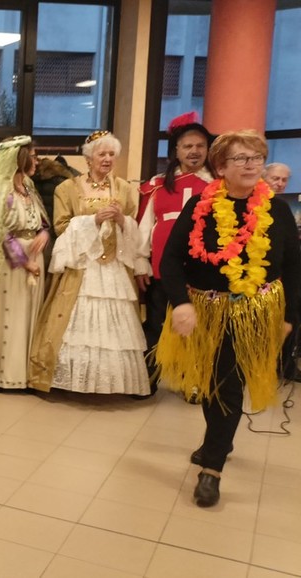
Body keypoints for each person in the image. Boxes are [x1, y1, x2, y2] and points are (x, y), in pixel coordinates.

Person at [156, 130, 301, 507]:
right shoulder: (200, 206)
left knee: (228, 384)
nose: (251, 165)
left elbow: (293, 268)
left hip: (255, 311)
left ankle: (212, 469)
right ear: (220, 166)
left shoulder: (277, 210)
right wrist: (181, 303)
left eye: (257, 158)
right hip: (206, 310)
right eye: (241, 158)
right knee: (211, 383)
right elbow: (171, 260)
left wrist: (290, 317)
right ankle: (217, 441)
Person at [29, 131, 150, 395]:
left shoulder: (125, 188)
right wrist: (93, 220)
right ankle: (69, 380)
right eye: (101, 154)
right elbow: (61, 227)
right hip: (82, 266)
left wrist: (121, 220)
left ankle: (110, 382)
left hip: (114, 268)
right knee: (75, 322)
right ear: (88, 158)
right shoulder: (67, 188)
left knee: (113, 328)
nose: (107, 159)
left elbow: (134, 226)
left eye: (111, 154)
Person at [136, 113, 214, 394]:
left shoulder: (217, 187)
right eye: (187, 146)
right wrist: (140, 261)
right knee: (156, 323)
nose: (194, 151)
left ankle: (191, 381)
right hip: (162, 267)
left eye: (200, 146)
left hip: (201, 269)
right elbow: (145, 225)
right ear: (176, 151)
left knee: (198, 327)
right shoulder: (158, 185)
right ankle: (147, 379)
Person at [0, 136, 49, 390]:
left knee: (28, 315)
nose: (37, 161)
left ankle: (24, 373)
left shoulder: (28, 186)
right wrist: (24, 262)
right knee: (10, 315)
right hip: (11, 263)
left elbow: (41, 219)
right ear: (21, 158)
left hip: (34, 254)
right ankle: (4, 375)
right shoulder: (2, 191)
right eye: (33, 156)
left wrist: (44, 233)